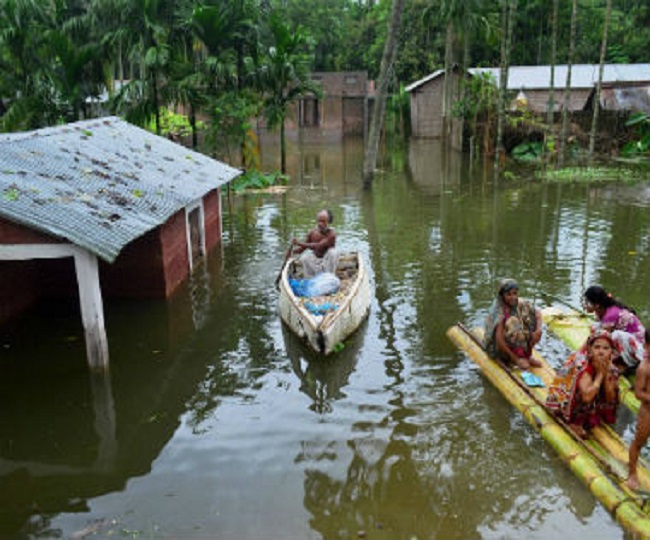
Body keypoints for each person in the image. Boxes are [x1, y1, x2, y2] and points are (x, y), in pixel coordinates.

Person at [546, 329, 620, 439]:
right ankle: (574, 422)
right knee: (584, 394)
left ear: (611, 352)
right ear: (590, 350)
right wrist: (600, 376)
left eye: (606, 348)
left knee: (615, 392)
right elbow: (586, 397)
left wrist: (605, 376)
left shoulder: (612, 369)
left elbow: (610, 398)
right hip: (563, 401)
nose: (601, 352)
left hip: (592, 391)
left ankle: (591, 417)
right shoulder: (583, 365)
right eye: (597, 347)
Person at [582, 285, 645, 374]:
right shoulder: (602, 309)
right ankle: (622, 357)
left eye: (588, 302)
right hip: (630, 340)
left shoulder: (610, 315)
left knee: (614, 336)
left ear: (597, 305)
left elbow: (601, 338)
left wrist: (584, 352)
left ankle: (630, 364)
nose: (585, 305)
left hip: (640, 347)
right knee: (595, 327)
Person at [483, 278, 543, 370]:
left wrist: (538, 330)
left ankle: (526, 355)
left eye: (515, 293)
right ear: (502, 296)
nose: (513, 297)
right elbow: (499, 340)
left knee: (529, 315)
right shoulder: (499, 312)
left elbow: (537, 313)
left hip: (514, 340)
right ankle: (512, 358)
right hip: (497, 347)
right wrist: (516, 360)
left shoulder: (518, 303)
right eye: (509, 294)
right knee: (513, 322)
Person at [627, 328, 650, 490]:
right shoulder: (644, 368)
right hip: (648, 412)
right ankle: (632, 473)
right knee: (639, 441)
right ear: (647, 346)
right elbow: (638, 393)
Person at [292, 209, 338, 278]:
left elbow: (318, 246)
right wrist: (293, 252)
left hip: (327, 262)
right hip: (315, 261)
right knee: (304, 257)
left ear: (328, 222)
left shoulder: (331, 234)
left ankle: (329, 277)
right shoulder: (313, 232)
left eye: (323, 221)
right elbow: (303, 248)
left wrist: (298, 243)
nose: (320, 223)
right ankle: (310, 278)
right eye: (319, 221)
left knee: (333, 253)